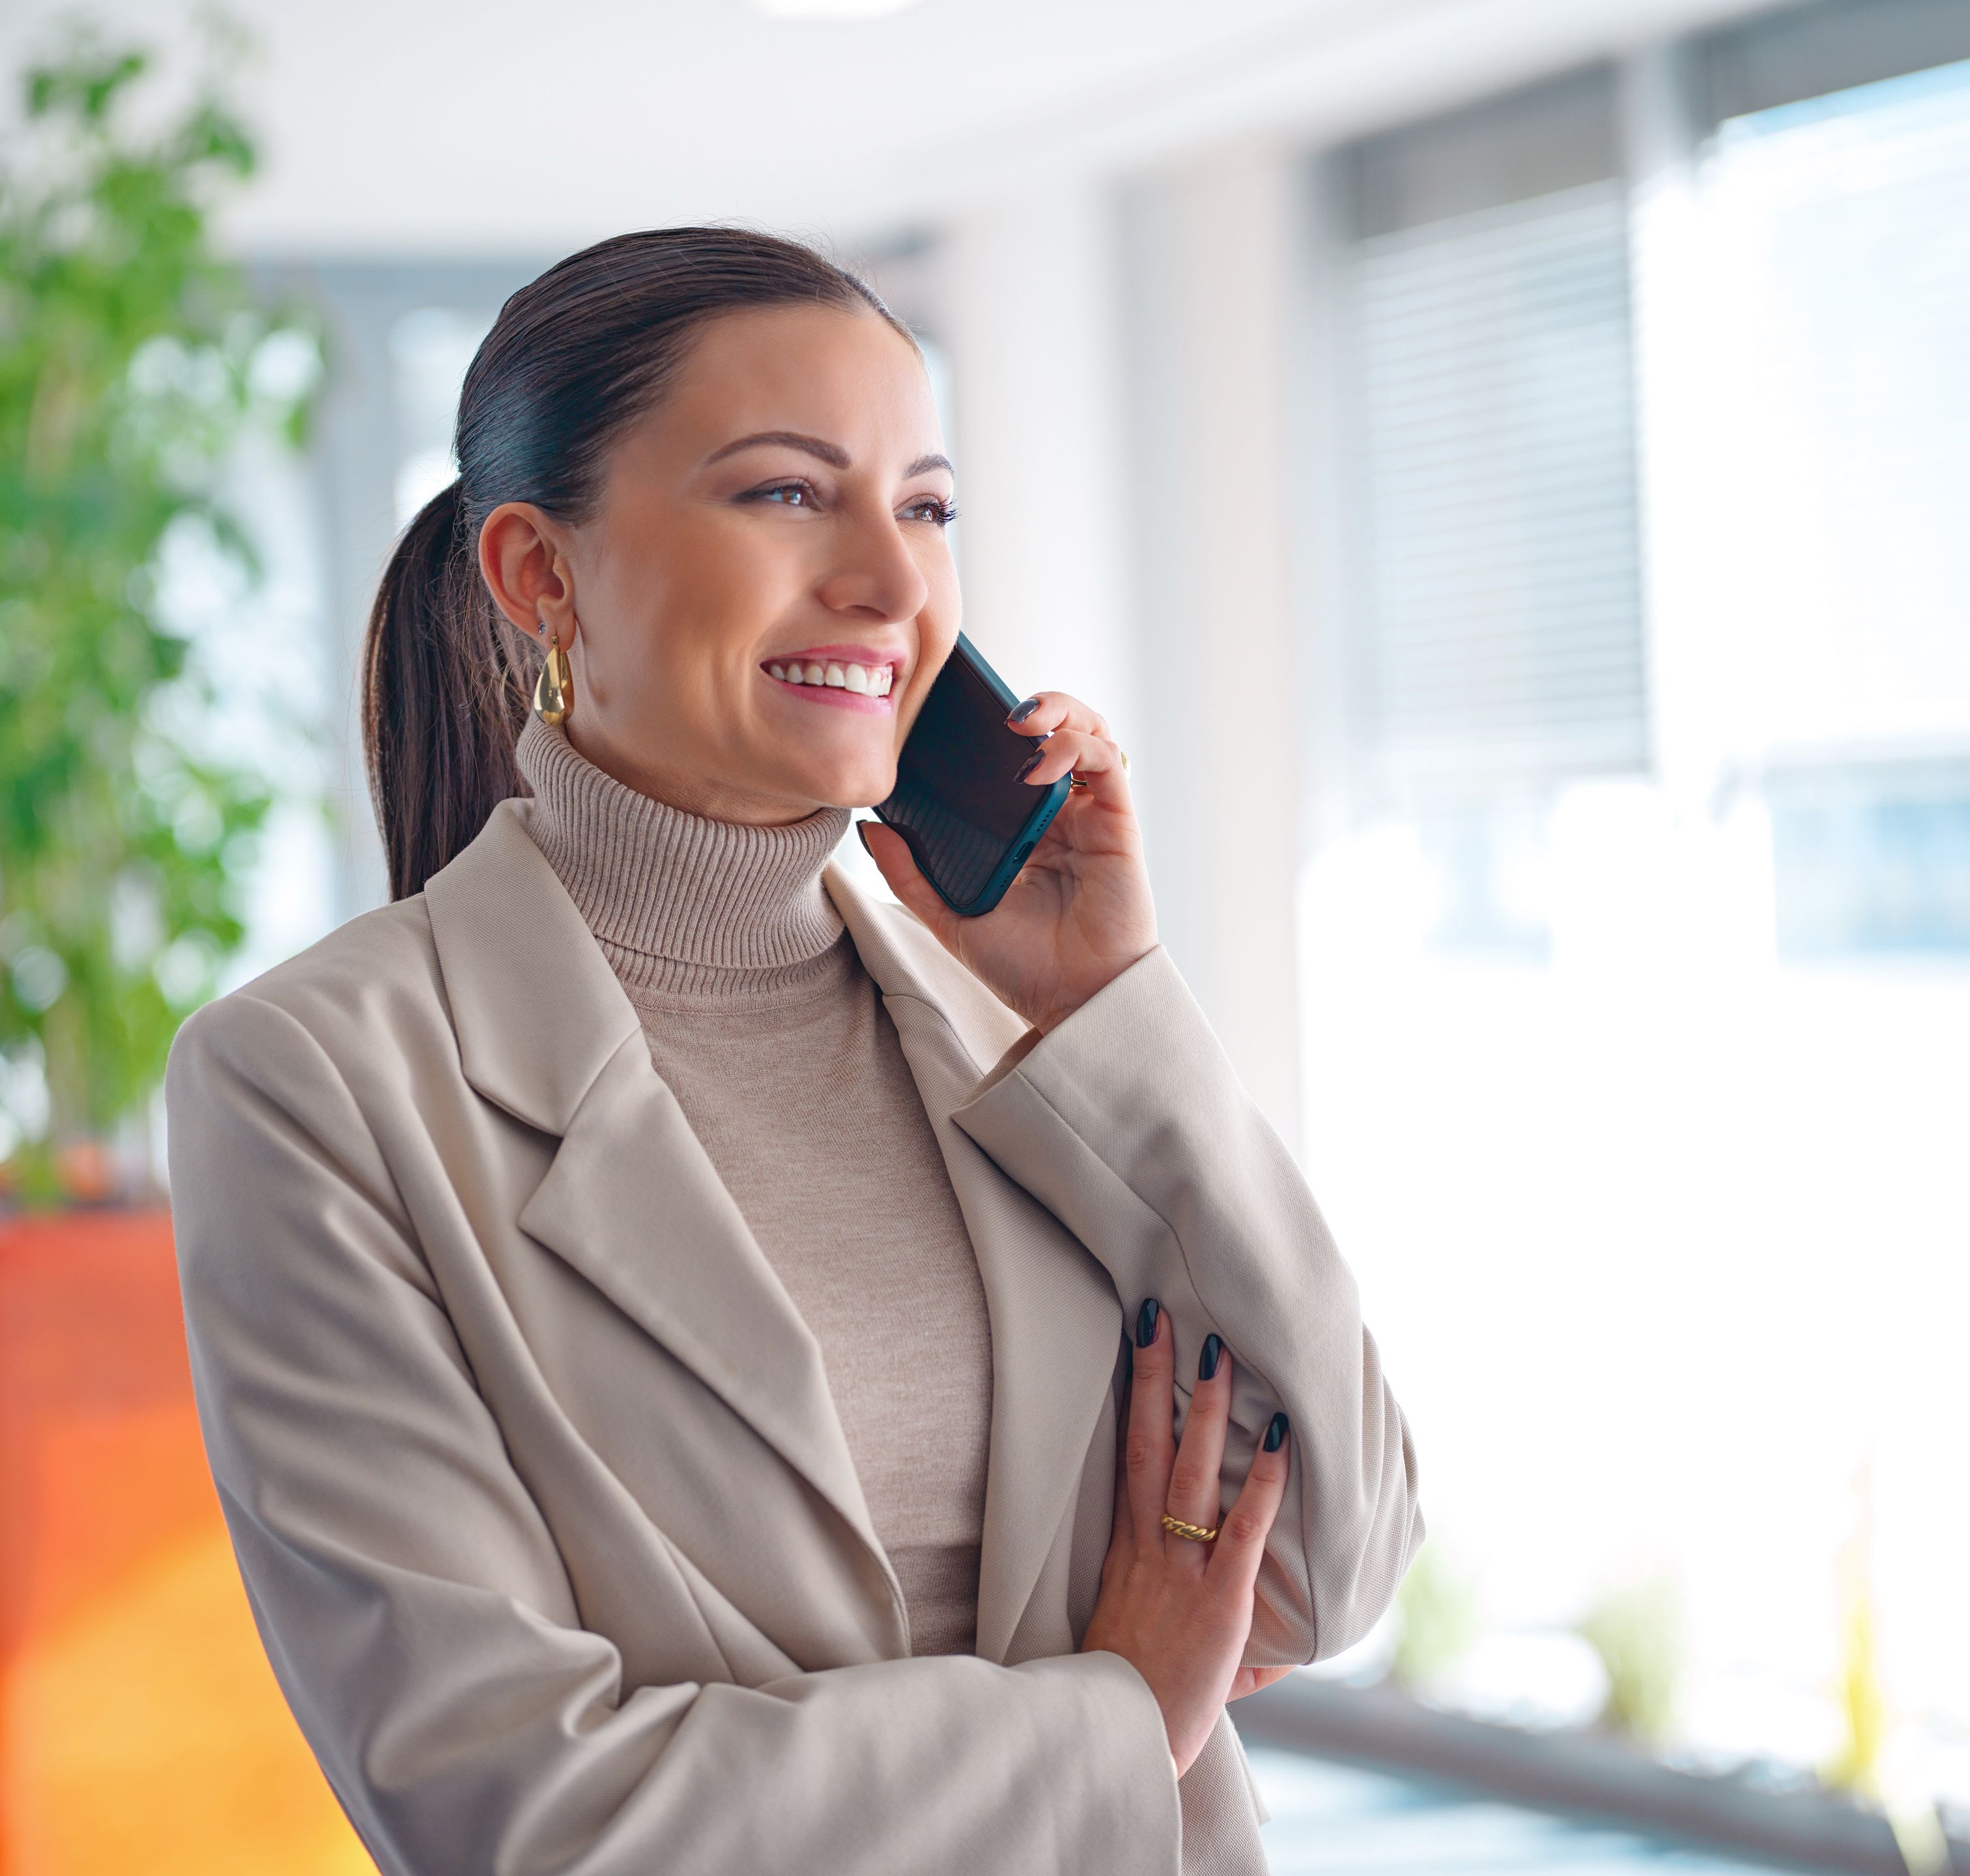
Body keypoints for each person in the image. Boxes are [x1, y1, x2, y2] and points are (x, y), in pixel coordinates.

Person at [165, 225, 1421, 1876]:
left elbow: (1336, 1558)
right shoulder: (318, 1083)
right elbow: (532, 1819)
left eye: (926, 506)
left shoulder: (1015, 1027)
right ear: (541, 574)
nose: (894, 586)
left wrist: (1113, 1007)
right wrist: (1117, 1716)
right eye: (784, 493)